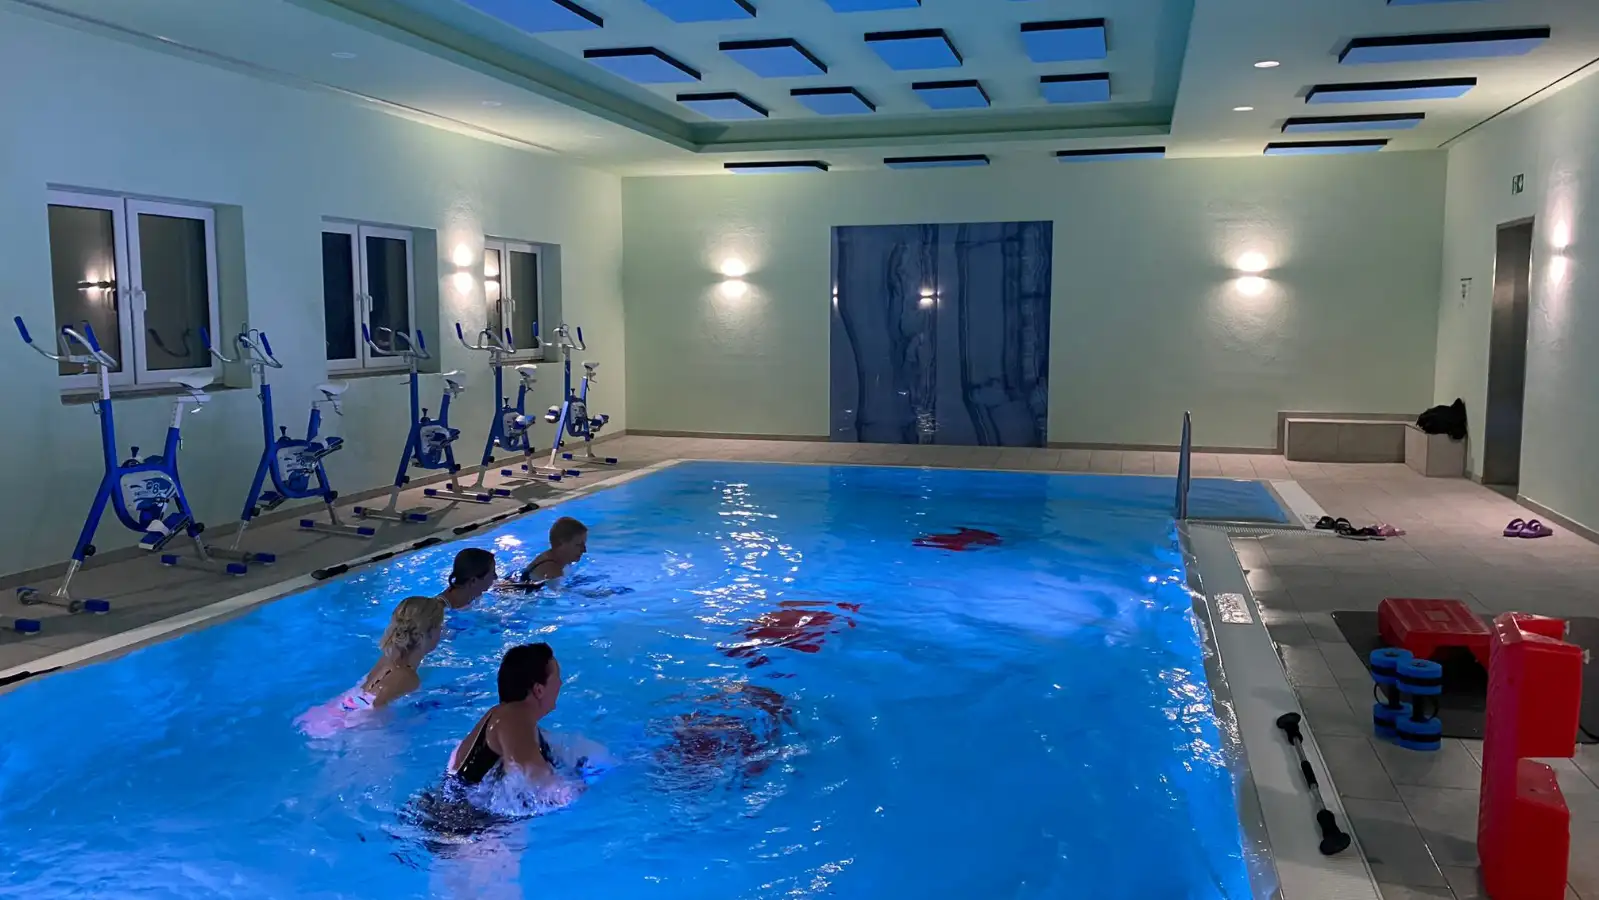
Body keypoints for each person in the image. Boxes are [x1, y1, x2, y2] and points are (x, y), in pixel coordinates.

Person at [297, 595, 446, 736]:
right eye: (440, 626)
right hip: (351, 728)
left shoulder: (387, 659)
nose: (442, 630)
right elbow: (383, 716)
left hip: (326, 715)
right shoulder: (409, 678)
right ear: (427, 634)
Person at [447, 643, 572, 788]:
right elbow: (537, 781)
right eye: (557, 678)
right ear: (539, 690)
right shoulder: (513, 719)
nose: (560, 683)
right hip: (460, 802)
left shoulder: (510, 717)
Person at [509, 517, 588, 587]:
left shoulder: (556, 558)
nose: (584, 550)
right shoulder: (552, 568)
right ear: (561, 543)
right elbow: (559, 595)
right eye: (578, 545)